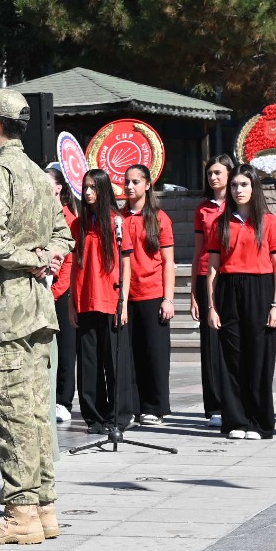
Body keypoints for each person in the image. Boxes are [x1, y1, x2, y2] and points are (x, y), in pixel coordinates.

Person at [0, 91, 73, 546]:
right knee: (34, 411)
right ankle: (44, 507)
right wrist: (46, 258)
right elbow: (64, 234)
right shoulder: (37, 172)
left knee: (8, 411)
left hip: (3, 310)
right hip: (36, 310)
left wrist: (33, 259)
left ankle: (20, 512)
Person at [206, 164, 276, 440]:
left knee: (259, 358)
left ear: (254, 187)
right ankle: (236, 421)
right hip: (229, 289)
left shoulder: (269, 222)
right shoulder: (220, 223)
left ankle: (258, 422)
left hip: (259, 289)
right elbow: (213, 268)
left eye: (244, 184)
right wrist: (212, 306)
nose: (238, 190)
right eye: (234, 185)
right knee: (231, 358)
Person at [73, 168, 132, 436]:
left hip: (111, 300)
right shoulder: (79, 224)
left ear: (103, 190)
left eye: (93, 187)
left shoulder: (117, 222)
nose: (88, 192)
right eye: (85, 187)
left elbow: (126, 265)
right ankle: (93, 417)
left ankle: (117, 416)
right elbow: (74, 265)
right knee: (89, 364)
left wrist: (124, 302)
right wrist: (73, 303)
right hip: (85, 301)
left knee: (114, 362)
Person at [122, 165, 174, 426]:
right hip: (125, 296)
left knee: (154, 354)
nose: (130, 186)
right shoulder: (118, 218)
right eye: (127, 182)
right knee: (129, 354)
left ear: (147, 185)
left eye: (135, 182)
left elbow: (168, 262)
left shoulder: (160, 218)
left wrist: (168, 299)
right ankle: (131, 406)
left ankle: (154, 407)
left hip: (152, 293)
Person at [191, 155, 235, 427]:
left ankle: (236, 402)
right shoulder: (203, 209)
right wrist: (194, 294)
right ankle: (215, 406)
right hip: (206, 276)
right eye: (210, 173)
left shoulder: (238, 204)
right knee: (210, 345)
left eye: (218, 172)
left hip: (232, 275)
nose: (213, 177)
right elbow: (198, 251)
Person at [47, 166, 79, 426]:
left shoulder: (69, 219)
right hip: (43, 289)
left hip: (62, 291)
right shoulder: (40, 216)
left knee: (66, 348)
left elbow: (69, 262)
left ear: (58, 187)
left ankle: (64, 400)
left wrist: (55, 291)